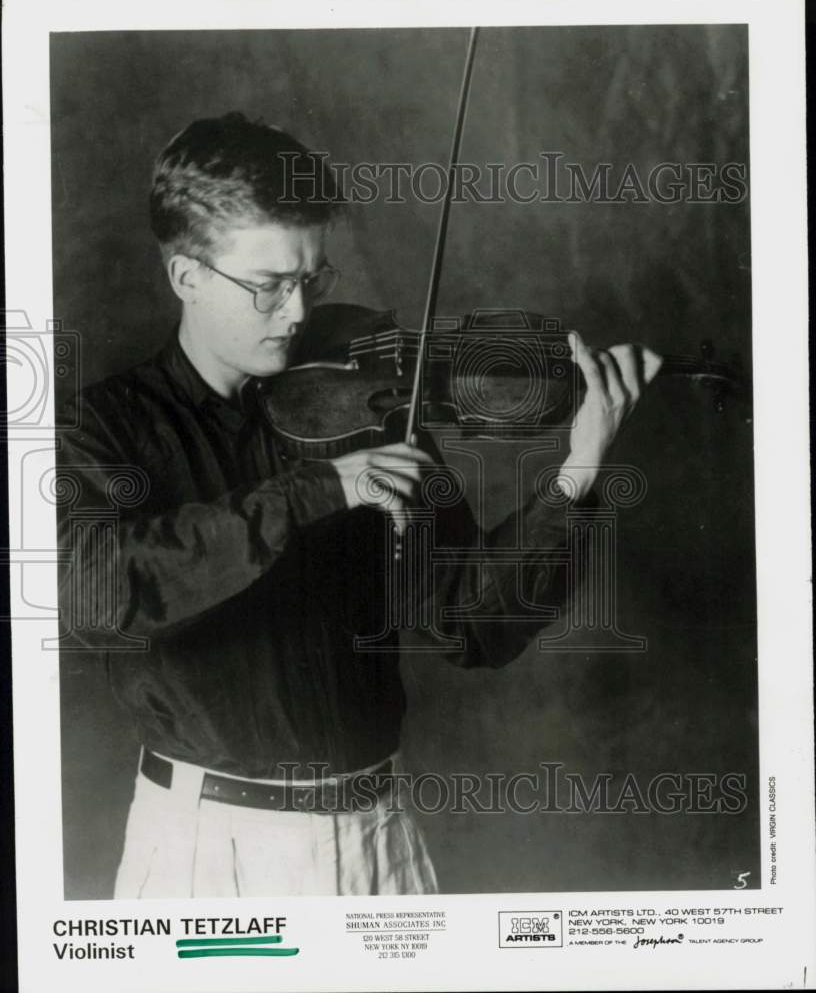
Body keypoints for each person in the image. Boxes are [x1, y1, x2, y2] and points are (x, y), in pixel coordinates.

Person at [56, 112, 659, 898]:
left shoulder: (367, 405)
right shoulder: (107, 425)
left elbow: (470, 621)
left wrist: (579, 468)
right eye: (269, 285)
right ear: (187, 277)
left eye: (313, 279)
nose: (299, 313)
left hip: (378, 834)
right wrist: (322, 487)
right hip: (208, 852)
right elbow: (92, 591)